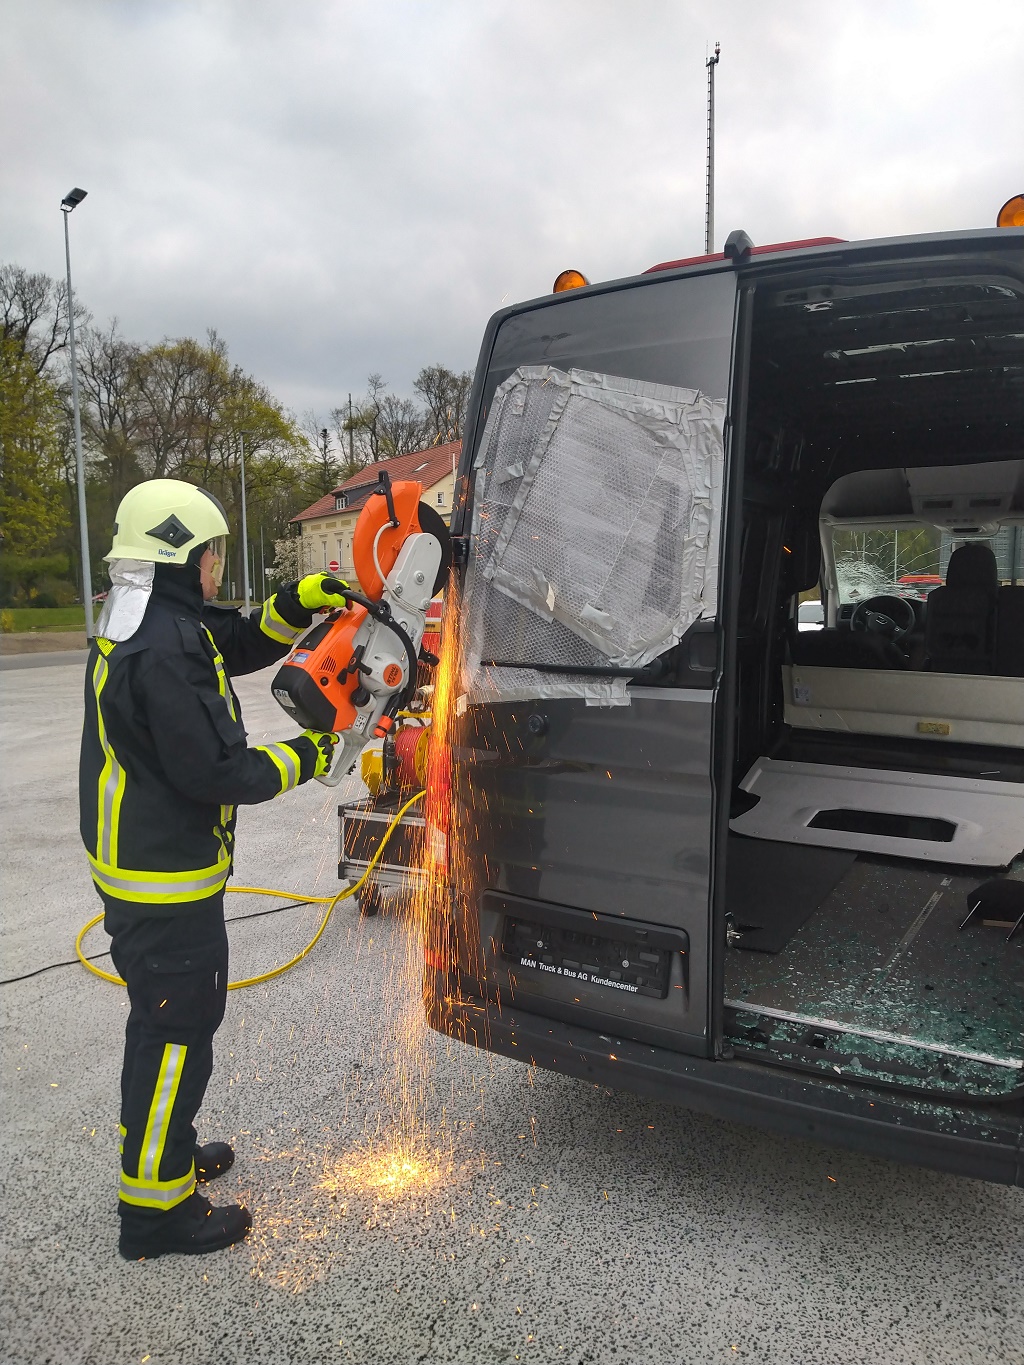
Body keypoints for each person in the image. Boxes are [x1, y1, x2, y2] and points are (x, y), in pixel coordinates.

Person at [79, 477, 349, 1260]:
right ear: (180, 556)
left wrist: (296, 603)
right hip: (163, 877)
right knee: (176, 1030)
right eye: (212, 555)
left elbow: (225, 641)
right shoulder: (163, 646)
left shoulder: (151, 618)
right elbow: (216, 770)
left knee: (166, 1023)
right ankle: (155, 1213)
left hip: (138, 863)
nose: (218, 569)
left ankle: (162, 1153)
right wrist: (311, 753)